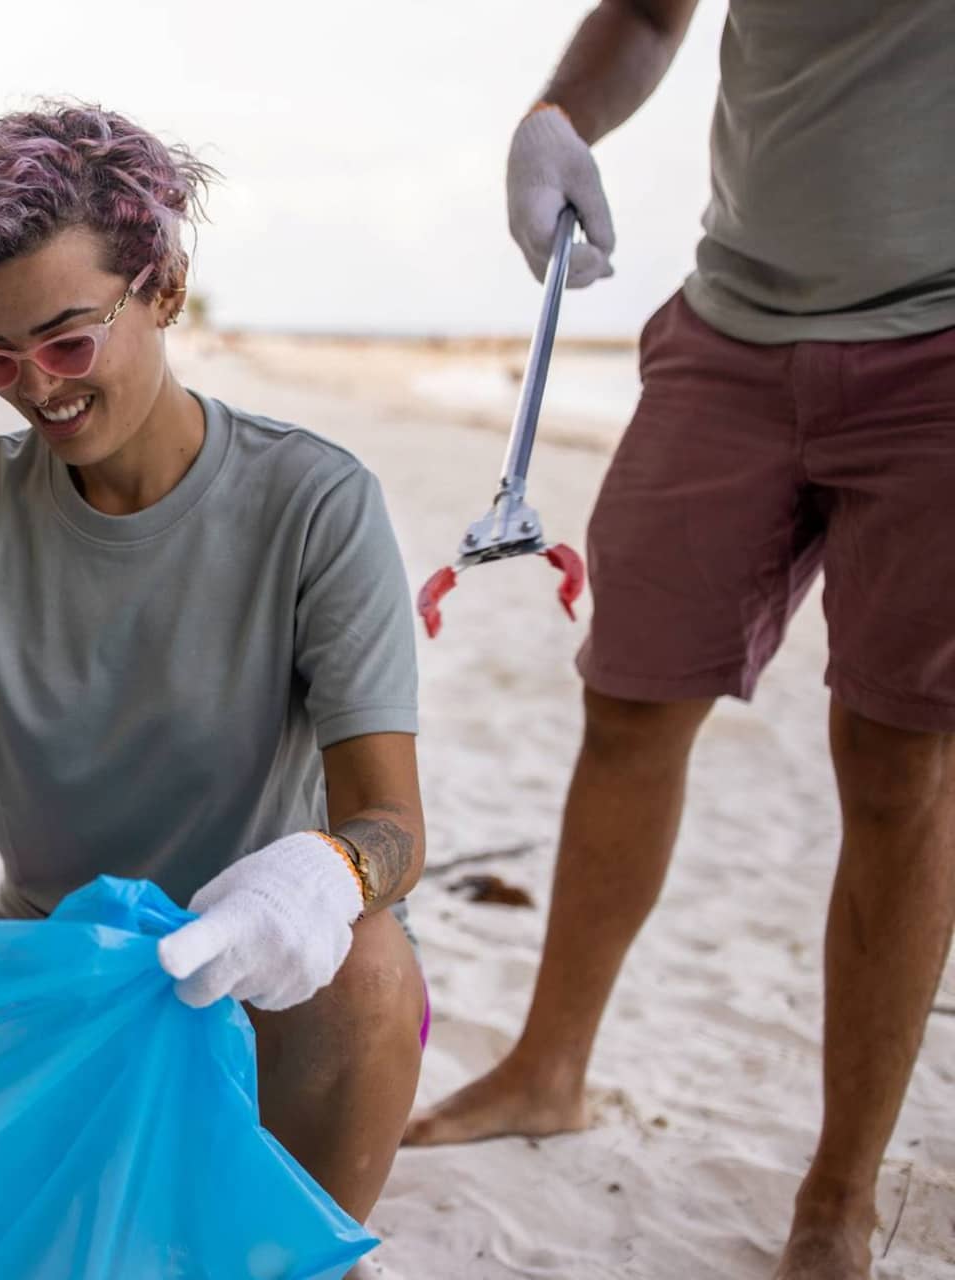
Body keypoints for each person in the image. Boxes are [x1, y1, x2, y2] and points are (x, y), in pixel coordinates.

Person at [0, 104, 431, 1224]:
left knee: (368, 962)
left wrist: (315, 881)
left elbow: (389, 824)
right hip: (57, 971)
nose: (38, 387)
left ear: (164, 289)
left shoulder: (316, 504)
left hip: (264, 974)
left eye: (66, 341)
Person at [403, 5, 955, 1278]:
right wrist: (554, 118)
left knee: (896, 763)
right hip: (731, 324)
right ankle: (546, 1069)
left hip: (939, 355)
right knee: (627, 699)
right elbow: (652, 11)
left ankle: (837, 1192)